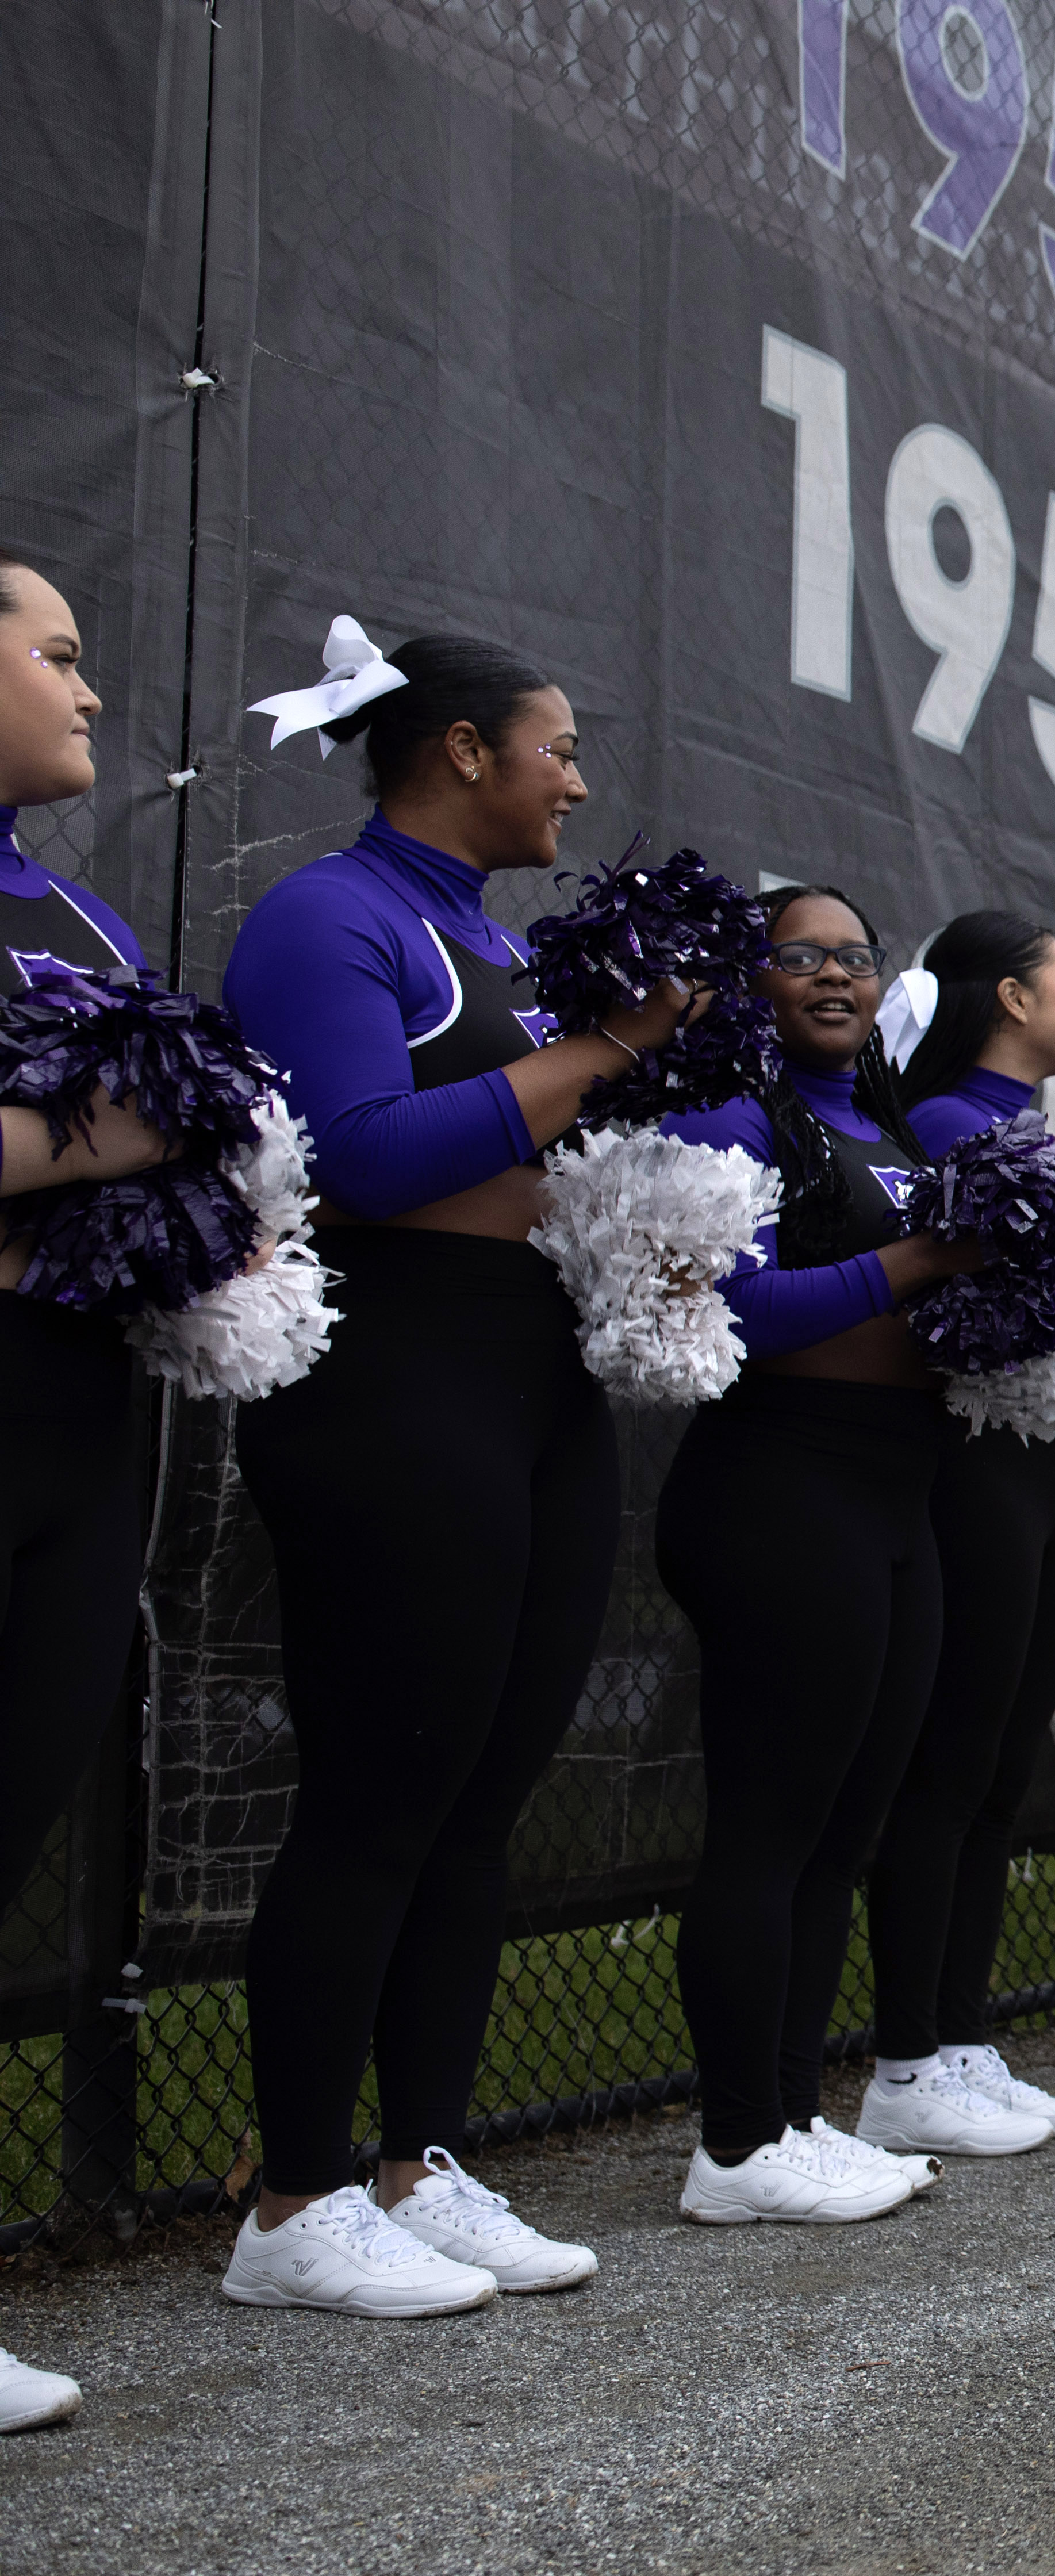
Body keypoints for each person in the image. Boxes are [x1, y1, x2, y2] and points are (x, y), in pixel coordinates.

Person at [220, 630, 696, 2312]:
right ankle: (293, 2199)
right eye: (555, 747)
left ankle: (420, 2159)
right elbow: (356, 1157)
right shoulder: (330, 916)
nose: (577, 780)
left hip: (532, 1375)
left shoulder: (502, 944)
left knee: (485, 1794)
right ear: (466, 750)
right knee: (382, 1787)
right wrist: (605, 1052)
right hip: (393, 1374)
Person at [657, 888, 989, 2222]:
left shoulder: (889, 1124)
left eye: (855, 955)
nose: (835, 975)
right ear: (752, 981)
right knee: (772, 1827)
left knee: (843, 1831)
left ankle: (792, 2113)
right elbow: (742, 1309)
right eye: (800, 956)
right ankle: (736, 2142)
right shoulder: (730, 1117)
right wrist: (924, 1261)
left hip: (896, 1495)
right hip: (780, 1487)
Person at [0, 554, 192, 2418]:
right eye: (57, 652)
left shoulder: (81, 916)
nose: (90, 689)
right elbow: (127, 1127)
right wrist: (104, 1137)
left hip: (79, 1405)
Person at [853, 913, 1055, 2159]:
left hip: (1037, 1467)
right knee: (954, 1763)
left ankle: (960, 2041)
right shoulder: (953, 1124)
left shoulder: (1019, 1127)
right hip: (973, 1469)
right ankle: (906, 2059)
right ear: (1013, 997)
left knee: (1002, 1765)